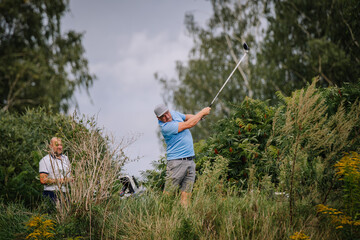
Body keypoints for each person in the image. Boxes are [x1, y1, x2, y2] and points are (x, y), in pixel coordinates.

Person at [154, 103, 211, 207]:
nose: (167, 117)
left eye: (167, 113)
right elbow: (188, 124)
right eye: (163, 116)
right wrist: (201, 113)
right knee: (168, 192)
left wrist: (198, 116)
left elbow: (186, 117)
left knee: (186, 194)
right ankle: (161, 215)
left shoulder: (174, 114)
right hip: (176, 163)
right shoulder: (166, 127)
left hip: (190, 161)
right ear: (158, 118)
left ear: (168, 110)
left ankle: (185, 218)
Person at [39, 137, 72, 202]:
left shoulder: (66, 159)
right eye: (57, 145)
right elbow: (43, 180)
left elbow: (70, 175)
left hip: (65, 193)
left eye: (61, 145)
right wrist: (60, 180)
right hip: (51, 193)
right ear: (51, 146)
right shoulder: (45, 160)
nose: (60, 147)